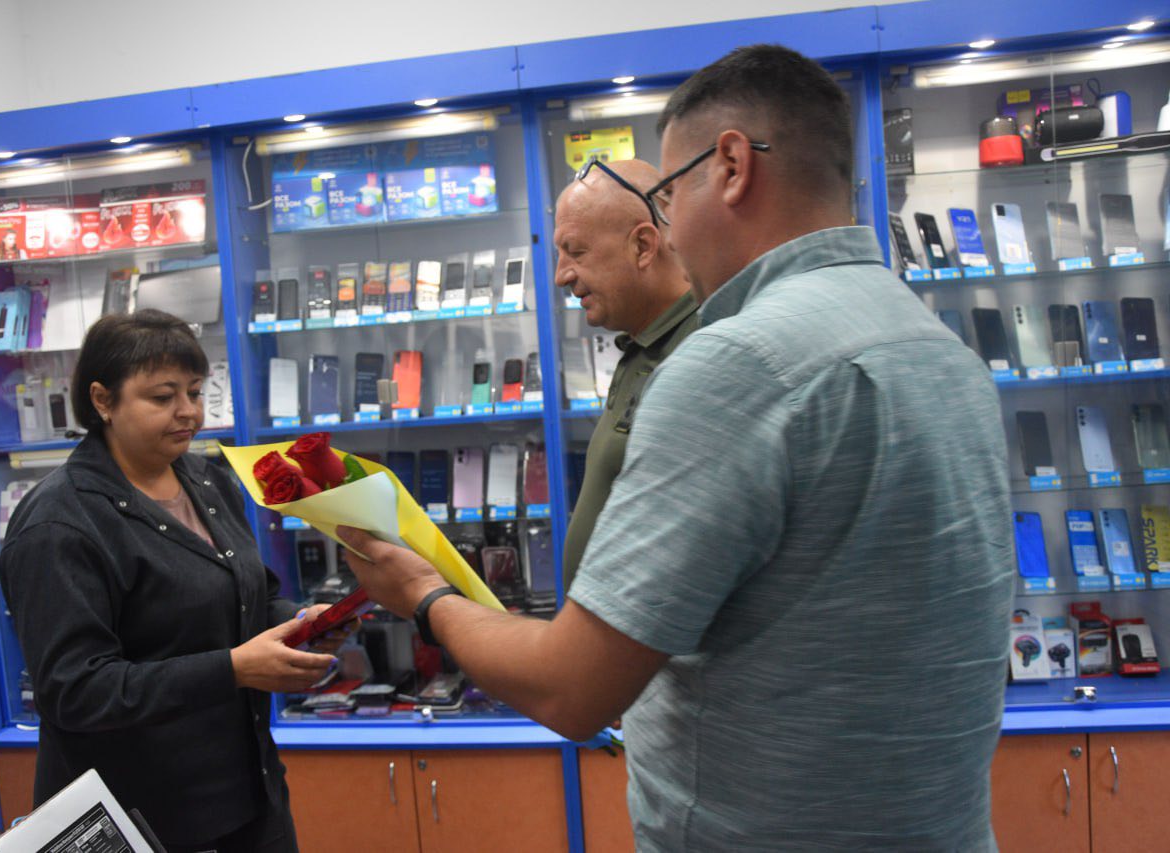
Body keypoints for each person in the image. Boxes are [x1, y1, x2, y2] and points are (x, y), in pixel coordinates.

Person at [338, 43, 1013, 851]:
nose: (667, 228)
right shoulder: (939, 348)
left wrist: (423, 593)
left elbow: (571, 691)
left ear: (731, 166)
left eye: (667, 193)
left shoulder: (739, 363)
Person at [0, 310, 342, 853]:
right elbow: (75, 691)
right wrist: (233, 668)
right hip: (141, 820)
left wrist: (300, 623)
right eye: (163, 397)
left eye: (195, 391)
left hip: (250, 794)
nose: (189, 412)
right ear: (103, 400)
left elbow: (252, 595)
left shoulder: (206, 480)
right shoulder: (59, 525)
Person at [553, 157, 696, 589]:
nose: (561, 275)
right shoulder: (642, 344)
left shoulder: (700, 355)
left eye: (576, 251)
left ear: (643, 247)